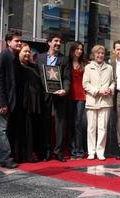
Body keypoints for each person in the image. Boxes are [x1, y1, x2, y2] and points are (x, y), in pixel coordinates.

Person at [0, 30, 22, 168]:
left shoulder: (13, 57)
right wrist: (3, 103)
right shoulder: (3, 56)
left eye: (20, 41)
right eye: (16, 41)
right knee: (2, 129)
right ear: (8, 42)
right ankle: (5, 158)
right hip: (1, 101)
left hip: (6, 100)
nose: (19, 43)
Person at [37, 33, 70, 162]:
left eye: (59, 41)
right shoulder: (39, 58)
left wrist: (65, 90)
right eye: (55, 41)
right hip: (44, 95)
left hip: (59, 95)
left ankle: (58, 151)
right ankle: (46, 151)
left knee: (60, 123)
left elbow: (67, 78)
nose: (58, 43)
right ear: (49, 42)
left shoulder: (64, 59)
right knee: (45, 122)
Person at [11, 42, 43, 163]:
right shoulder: (15, 66)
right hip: (20, 104)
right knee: (20, 130)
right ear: (19, 53)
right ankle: (20, 155)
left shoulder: (34, 67)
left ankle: (30, 153)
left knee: (32, 130)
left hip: (34, 104)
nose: (28, 53)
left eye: (29, 51)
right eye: (25, 51)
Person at [82, 44, 115, 161]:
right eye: (98, 53)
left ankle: (100, 152)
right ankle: (91, 152)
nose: (100, 55)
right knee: (91, 128)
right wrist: (97, 91)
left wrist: (110, 89)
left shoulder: (110, 68)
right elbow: (85, 84)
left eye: (102, 53)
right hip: (92, 100)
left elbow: (113, 82)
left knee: (103, 128)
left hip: (106, 102)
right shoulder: (88, 67)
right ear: (93, 55)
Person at [66, 41, 88, 159]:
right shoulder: (67, 62)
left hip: (81, 96)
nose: (79, 51)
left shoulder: (85, 63)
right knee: (70, 123)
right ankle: (72, 149)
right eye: (77, 49)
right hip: (69, 96)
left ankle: (79, 150)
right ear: (73, 50)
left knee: (78, 123)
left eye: (81, 49)